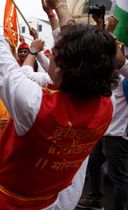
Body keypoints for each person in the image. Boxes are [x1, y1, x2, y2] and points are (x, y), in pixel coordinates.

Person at [0, 0, 119, 209]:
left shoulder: (35, 106)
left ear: (65, 67)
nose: (52, 55)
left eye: (56, 52)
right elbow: (82, 49)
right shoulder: (108, 104)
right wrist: (60, 7)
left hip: (2, 204)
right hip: (47, 203)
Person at [77, 16, 128, 210]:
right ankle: (94, 198)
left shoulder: (126, 71)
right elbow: (101, 54)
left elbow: (120, 60)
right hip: (103, 130)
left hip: (118, 134)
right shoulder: (107, 74)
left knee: (118, 177)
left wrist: (112, 33)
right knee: (93, 164)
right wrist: (102, 28)